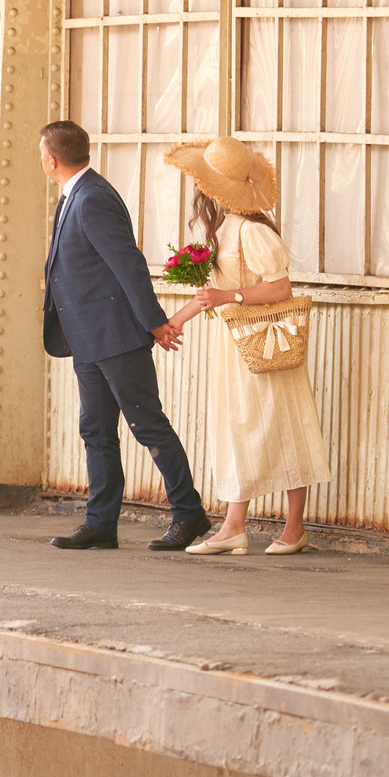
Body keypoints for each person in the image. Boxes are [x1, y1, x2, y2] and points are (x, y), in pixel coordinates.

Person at [38, 120, 210, 552]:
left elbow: (127, 263)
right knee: (95, 429)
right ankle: (101, 523)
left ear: (51, 159)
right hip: (87, 336)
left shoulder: (92, 197)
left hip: (115, 336)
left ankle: (189, 514)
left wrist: (154, 323)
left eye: (41, 152)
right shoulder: (76, 194)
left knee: (147, 424)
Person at [156, 138, 334, 556]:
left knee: (286, 424)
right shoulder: (225, 228)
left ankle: (293, 528)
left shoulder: (252, 230)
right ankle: (234, 525)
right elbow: (211, 293)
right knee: (239, 426)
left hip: (264, 342)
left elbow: (280, 287)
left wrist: (231, 298)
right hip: (235, 346)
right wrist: (172, 323)